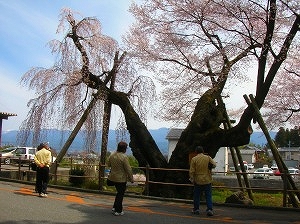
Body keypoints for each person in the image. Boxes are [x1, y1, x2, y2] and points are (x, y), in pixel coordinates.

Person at [107, 141, 134, 216]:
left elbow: (108, 164)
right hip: (121, 179)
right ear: (124, 149)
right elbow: (128, 169)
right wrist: (131, 178)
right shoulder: (124, 157)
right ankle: (118, 210)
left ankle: (114, 207)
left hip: (112, 177)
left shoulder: (112, 155)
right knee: (120, 194)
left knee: (119, 193)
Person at [189, 146, 216, 216]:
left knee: (196, 195)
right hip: (207, 179)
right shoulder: (208, 157)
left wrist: (192, 179)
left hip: (198, 180)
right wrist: (209, 167)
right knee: (208, 195)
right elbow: (214, 165)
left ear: (196, 152)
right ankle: (209, 209)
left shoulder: (194, 159)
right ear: (203, 151)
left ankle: (196, 209)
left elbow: (191, 171)